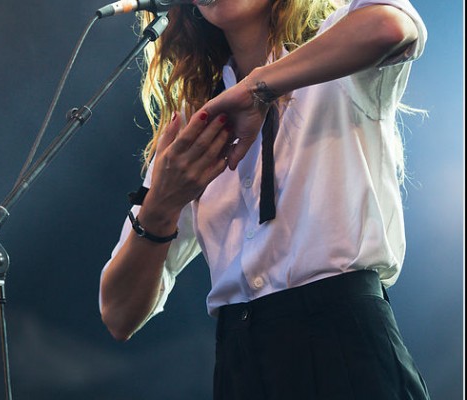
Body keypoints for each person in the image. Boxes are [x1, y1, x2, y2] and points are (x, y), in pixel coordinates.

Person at [99, 0, 430, 399]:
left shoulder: (339, 51)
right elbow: (118, 314)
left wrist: (258, 88)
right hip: (243, 364)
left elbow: (390, 27)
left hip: (346, 345)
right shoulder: (195, 125)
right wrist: (161, 208)